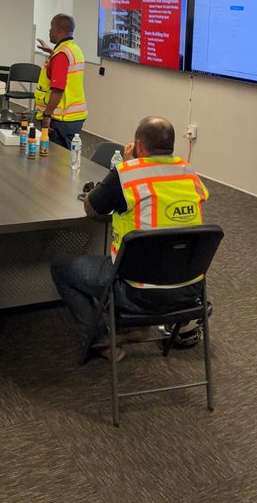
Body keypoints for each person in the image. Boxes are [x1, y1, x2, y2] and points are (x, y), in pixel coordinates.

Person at [50, 117, 210, 357]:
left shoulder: (127, 173)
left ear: (139, 146)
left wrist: (127, 166)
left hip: (136, 291)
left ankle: (102, 340)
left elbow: (92, 208)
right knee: (155, 251)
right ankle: (137, 327)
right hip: (189, 291)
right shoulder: (190, 175)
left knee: (60, 267)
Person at [35, 13, 87, 149]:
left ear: (58, 30)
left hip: (61, 118)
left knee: (56, 162)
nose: (49, 31)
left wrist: (47, 115)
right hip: (73, 116)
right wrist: (53, 53)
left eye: (51, 27)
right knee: (65, 160)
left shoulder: (61, 55)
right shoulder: (74, 49)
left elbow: (58, 90)